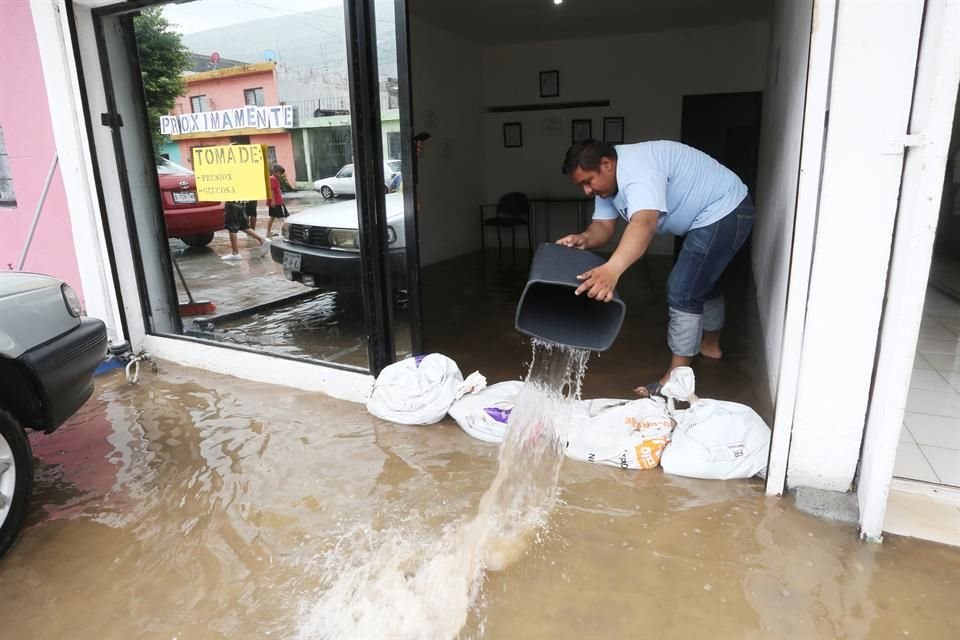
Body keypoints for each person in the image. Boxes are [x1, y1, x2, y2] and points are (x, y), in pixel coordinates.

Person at [556, 139, 754, 397]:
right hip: (708, 216)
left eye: (588, 181)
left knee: (683, 289)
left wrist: (612, 270)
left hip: (725, 210)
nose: (586, 190)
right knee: (702, 279)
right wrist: (584, 237)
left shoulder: (638, 170)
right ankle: (710, 345)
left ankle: (676, 379)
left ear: (606, 164)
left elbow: (644, 224)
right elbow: (602, 228)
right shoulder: (608, 184)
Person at [266, 164, 289, 237]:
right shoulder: (272, 179)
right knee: (285, 217)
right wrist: (273, 201)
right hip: (277, 202)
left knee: (272, 217)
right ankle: (287, 232)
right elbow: (272, 190)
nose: (281, 175)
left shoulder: (273, 178)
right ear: (275, 172)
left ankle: (268, 232)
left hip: (276, 201)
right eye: (280, 173)